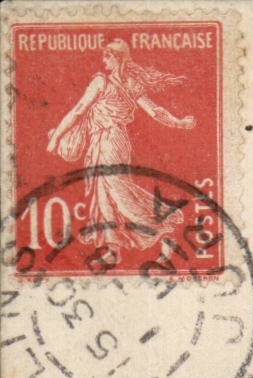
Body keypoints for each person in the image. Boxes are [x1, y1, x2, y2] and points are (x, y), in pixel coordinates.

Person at [44, 39, 197, 257]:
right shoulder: (131, 84)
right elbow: (155, 111)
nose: (103, 60)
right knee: (104, 191)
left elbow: (78, 110)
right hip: (111, 141)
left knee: (118, 190)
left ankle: (161, 230)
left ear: (118, 58)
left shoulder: (101, 82)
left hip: (109, 140)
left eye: (107, 56)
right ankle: (112, 246)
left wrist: (56, 137)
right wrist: (178, 122)